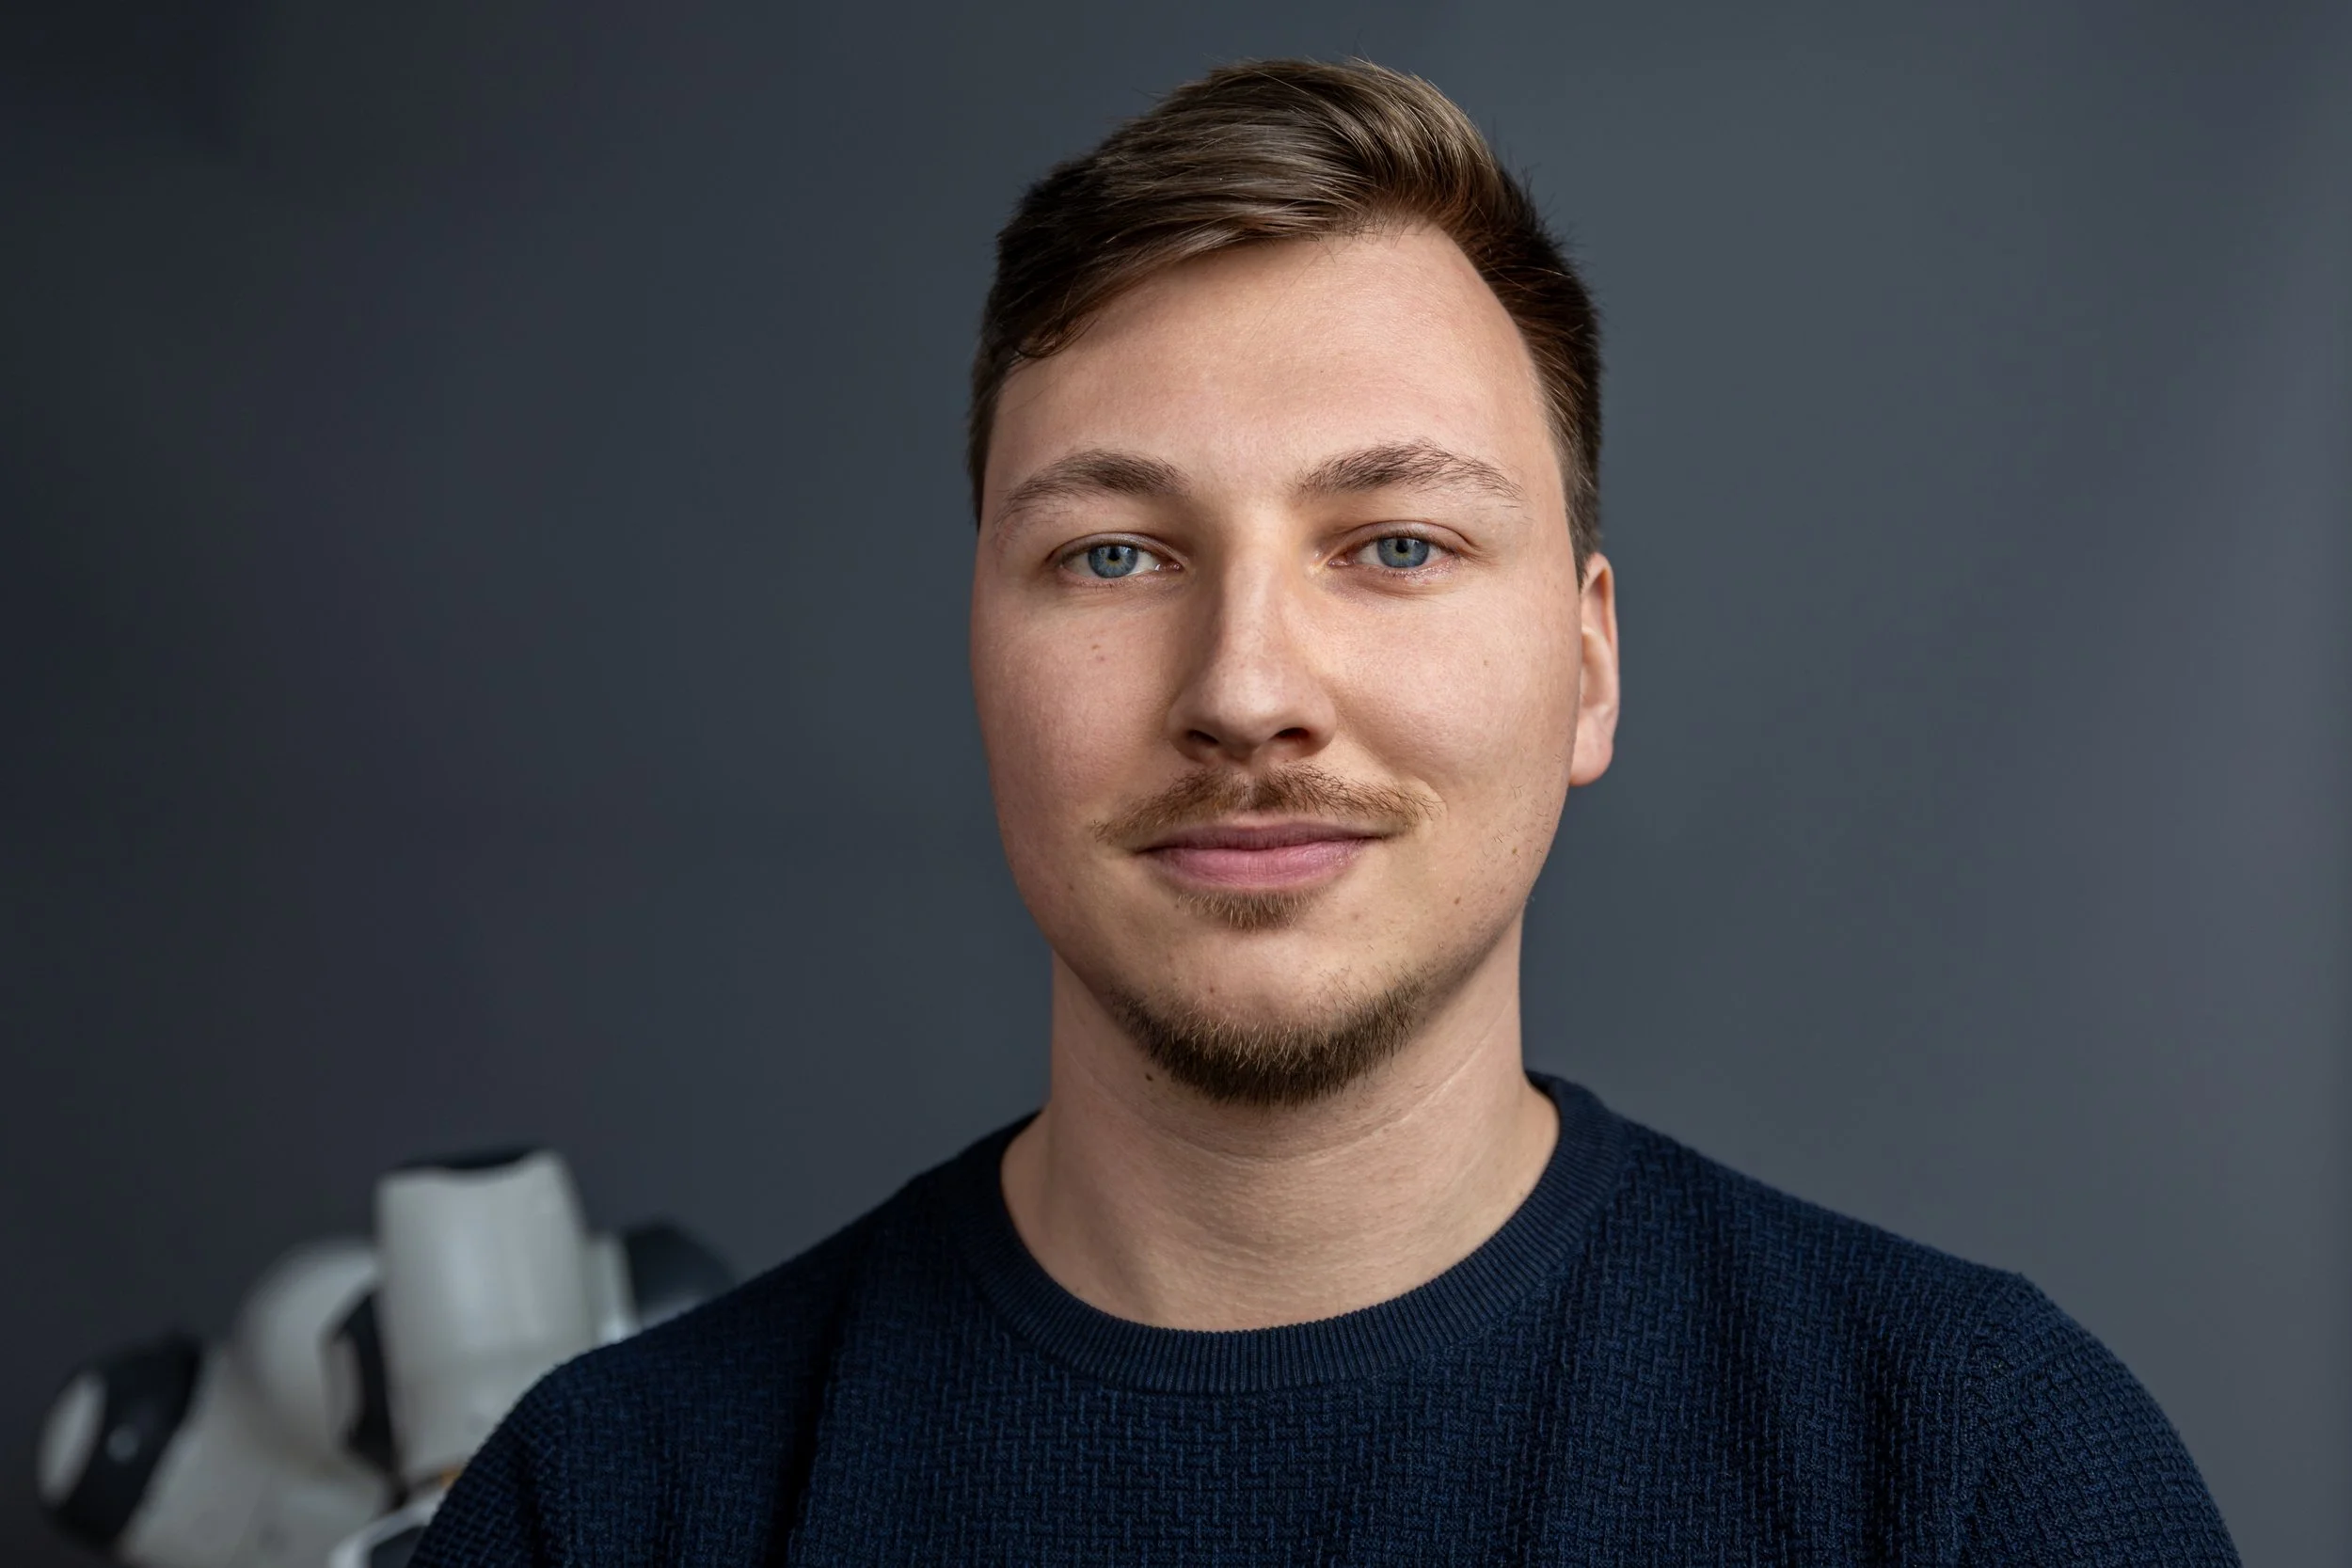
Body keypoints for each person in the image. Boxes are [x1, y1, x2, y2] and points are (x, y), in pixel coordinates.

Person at [414, 58, 2237, 1565]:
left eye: (1395, 544)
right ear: (975, 651)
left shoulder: (1976, 1472)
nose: (1243, 687)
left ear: (1587, 665)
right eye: (1113, 552)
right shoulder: (612, 1506)